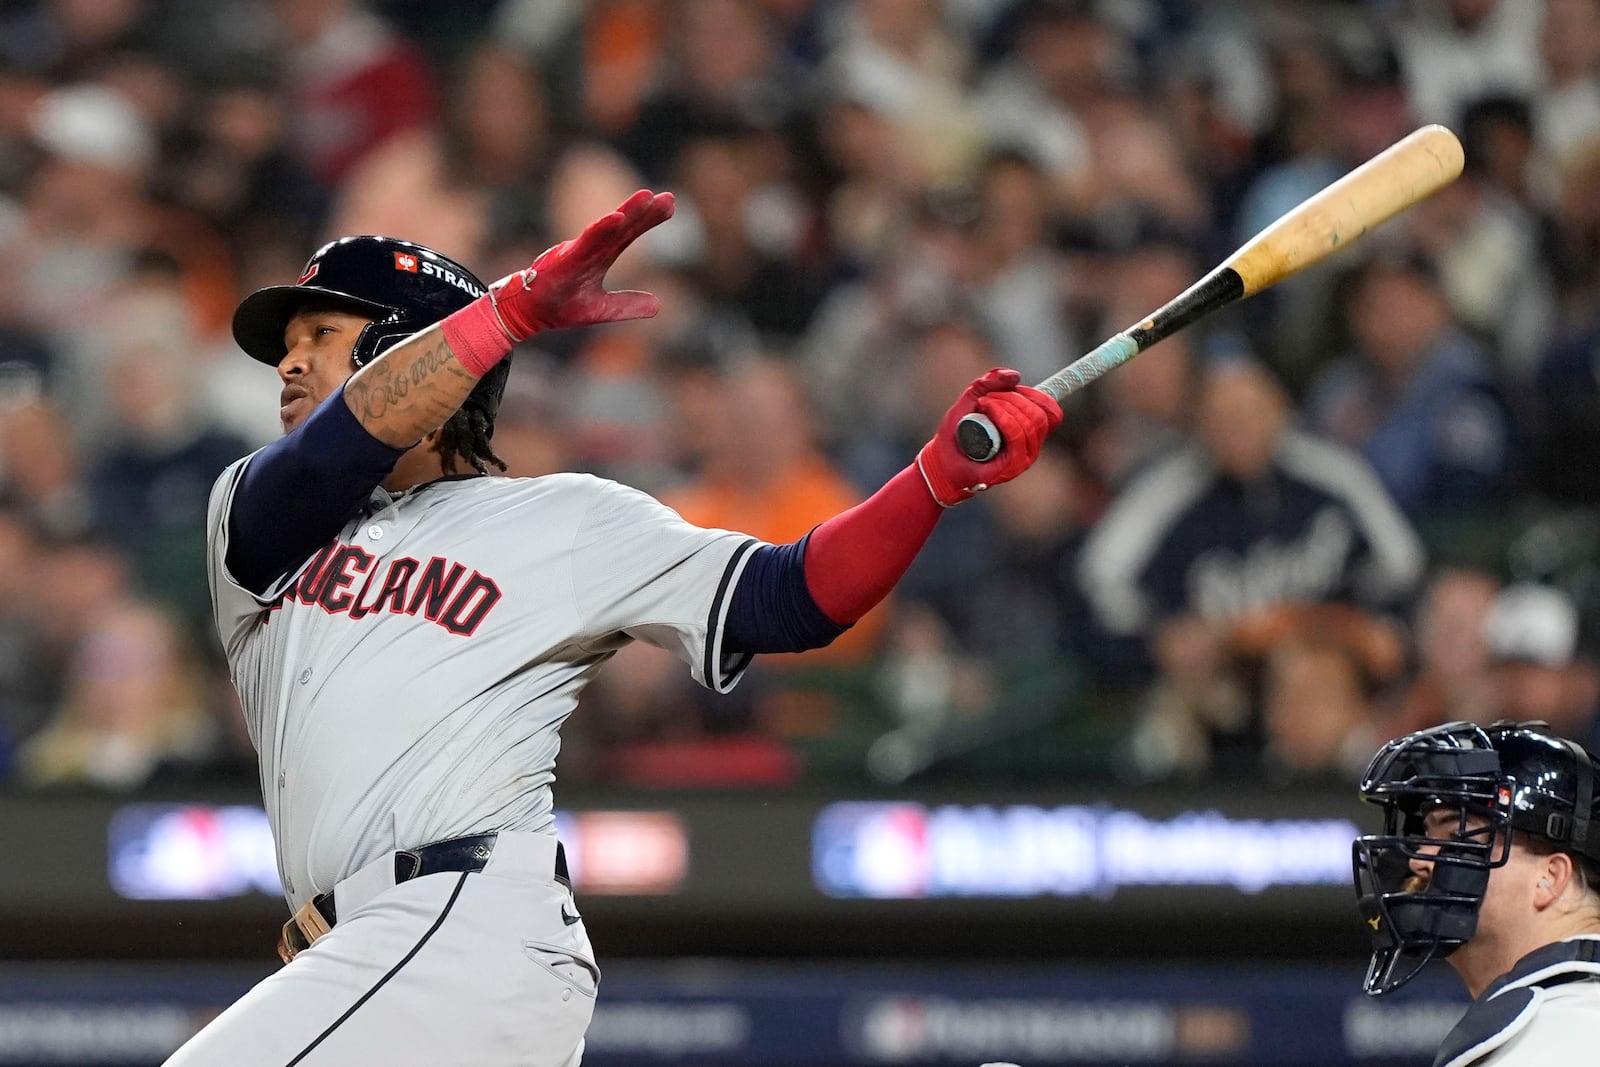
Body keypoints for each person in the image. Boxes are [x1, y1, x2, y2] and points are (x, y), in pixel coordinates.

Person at [180, 189, 1060, 1065]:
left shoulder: (567, 519)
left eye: (320, 336)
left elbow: (788, 598)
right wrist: (514, 309)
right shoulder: (254, 515)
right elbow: (342, 446)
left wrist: (935, 478)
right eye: (287, 347)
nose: (289, 365)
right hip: (361, 954)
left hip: (457, 920)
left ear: (410, 349)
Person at [1353, 720, 1600, 1064]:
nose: (1420, 862)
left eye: (1456, 837)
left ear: (1550, 876)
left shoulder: (1565, 1034)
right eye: (1428, 835)